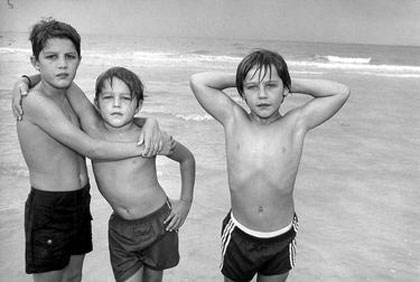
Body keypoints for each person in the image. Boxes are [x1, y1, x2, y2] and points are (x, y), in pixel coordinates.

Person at [15, 19, 172, 282]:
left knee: (74, 276)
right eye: (51, 57)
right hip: (50, 206)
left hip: (79, 200)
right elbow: (91, 147)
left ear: (79, 59)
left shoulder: (68, 89)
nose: (62, 64)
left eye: (70, 56)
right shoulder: (34, 102)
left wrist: (151, 122)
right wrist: (145, 147)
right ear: (36, 61)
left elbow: (103, 123)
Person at [189, 49, 350, 282]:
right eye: (252, 87)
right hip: (240, 233)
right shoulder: (234, 119)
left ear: (285, 89)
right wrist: (244, 78)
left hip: (281, 236)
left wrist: (287, 81)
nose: (262, 95)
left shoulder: (295, 123)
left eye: (271, 86)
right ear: (242, 91)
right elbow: (198, 81)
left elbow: (340, 92)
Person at [65, 66, 195, 282]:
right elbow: (63, 79)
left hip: (159, 222)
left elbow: (187, 159)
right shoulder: (93, 128)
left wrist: (185, 202)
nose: (116, 104)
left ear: (138, 105)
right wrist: (26, 80)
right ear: (96, 103)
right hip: (121, 228)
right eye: (108, 97)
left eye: (125, 98)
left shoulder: (150, 138)